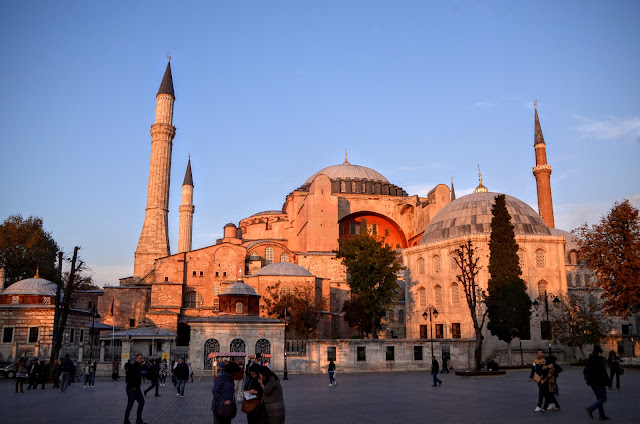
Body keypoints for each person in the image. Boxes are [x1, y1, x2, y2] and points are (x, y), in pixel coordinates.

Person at [585, 346, 612, 420]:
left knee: (599, 398)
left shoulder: (590, 359)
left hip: (592, 383)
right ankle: (591, 408)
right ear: (599, 353)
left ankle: (602, 415)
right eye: (601, 353)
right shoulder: (598, 360)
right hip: (599, 382)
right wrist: (609, 384)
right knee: (603, 398)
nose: (601, 355)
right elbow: (604, 373)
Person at [124, 354, 147, 424]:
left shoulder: (140, 366)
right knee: (130, 405)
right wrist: (133, 386)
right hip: (131, 389)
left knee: (142, 402)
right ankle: (126, 420)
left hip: (137, 389)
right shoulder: (132, 367)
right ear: (136, 359)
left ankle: (138, 420)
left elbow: (144, 372)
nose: (142, 360)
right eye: (140, 358)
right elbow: (127, 379)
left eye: (142, 358)